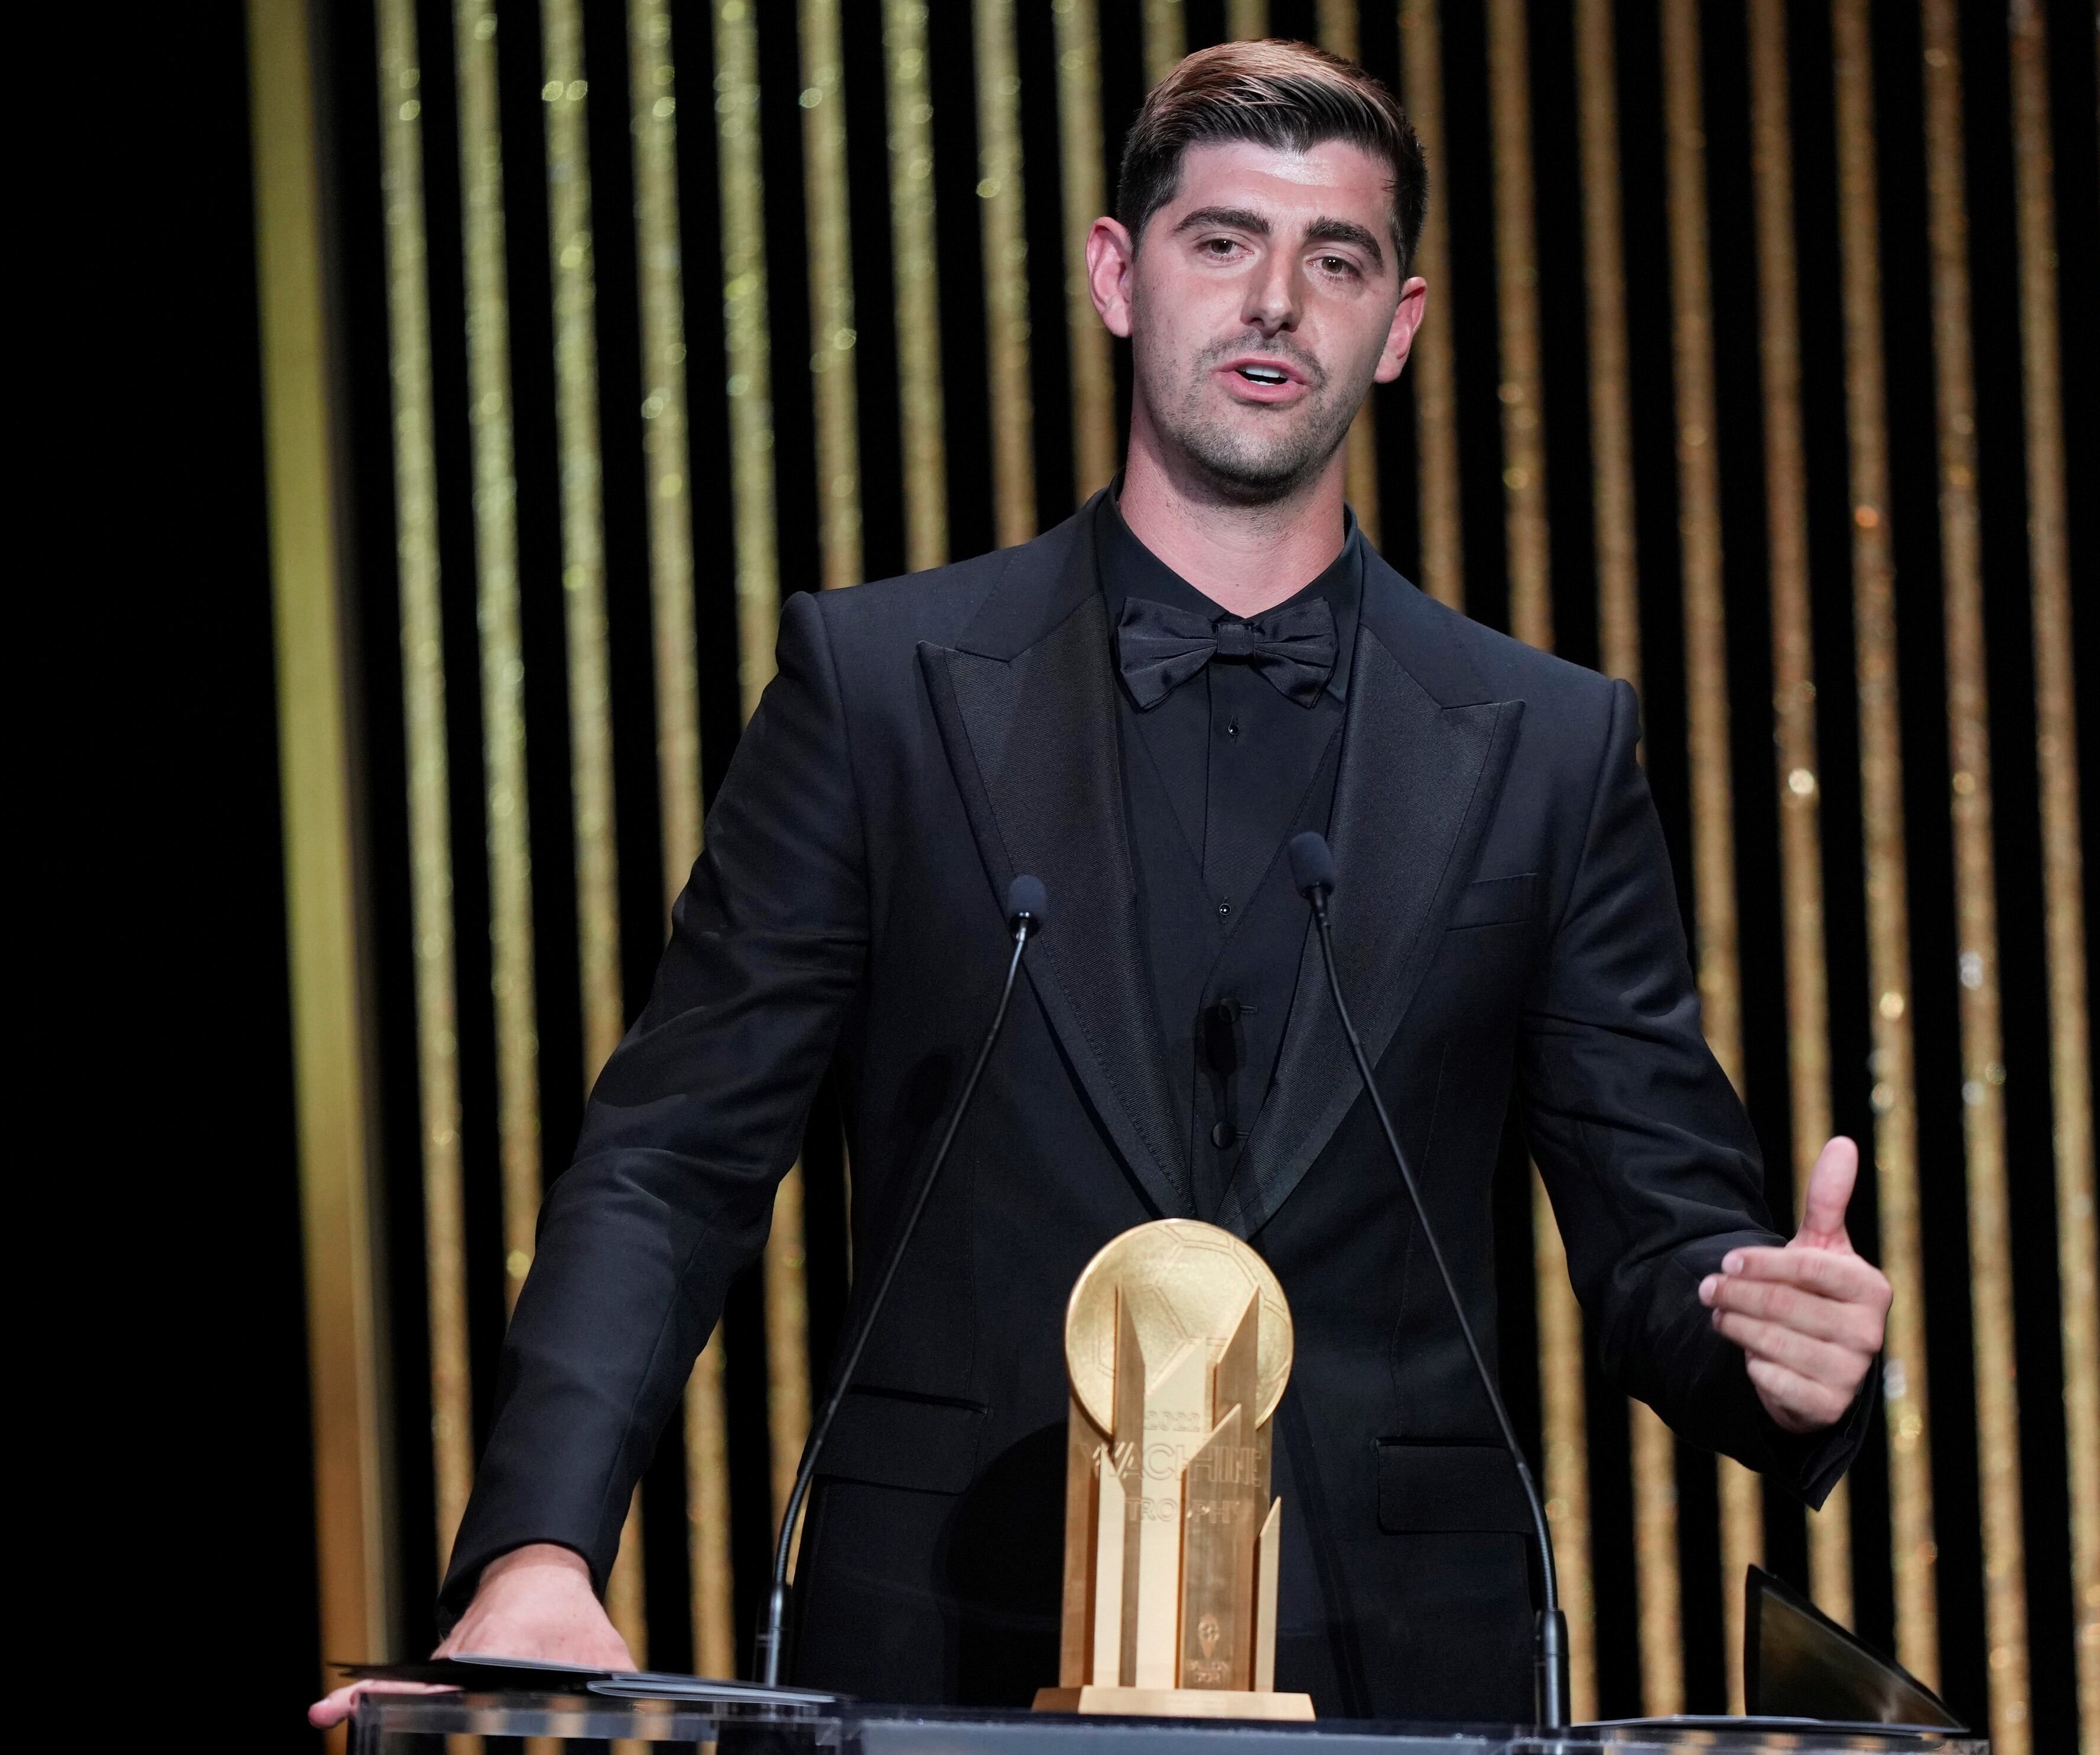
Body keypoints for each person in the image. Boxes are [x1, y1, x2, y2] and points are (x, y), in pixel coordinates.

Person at [315, 38, 1890, 1727]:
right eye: (1223, 241)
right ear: (1118, 276)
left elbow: (1663, 1229)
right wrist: (540, 1541)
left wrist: (1779, 1347)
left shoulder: (1551, 746)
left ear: (1401, 324)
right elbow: (673, 1158)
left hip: (1393, 1673)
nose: (1276, 300)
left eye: (1336, 260)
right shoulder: (878, 689)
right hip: (942, 1652)